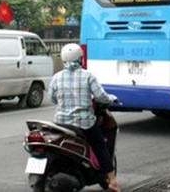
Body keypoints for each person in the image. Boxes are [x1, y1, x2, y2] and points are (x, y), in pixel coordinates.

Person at [49, 43, 120, 192]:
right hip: (84, 123)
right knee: (101, 147)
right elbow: (101, 97)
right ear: (80, 59)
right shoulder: (87, 76)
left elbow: (52, 99)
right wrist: (111, 99)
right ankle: (112, 181)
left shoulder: (56, 77)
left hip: (61, 123)